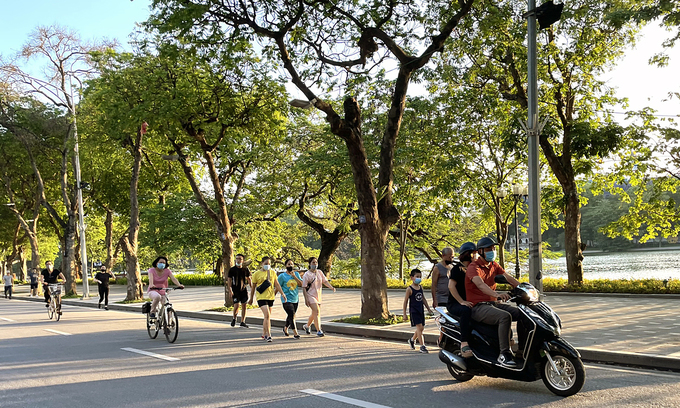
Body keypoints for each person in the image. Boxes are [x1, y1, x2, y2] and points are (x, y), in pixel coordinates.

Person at [465, 237, 524, 368]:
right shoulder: (473, 267)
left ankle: (522, 350)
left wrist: (524, 289)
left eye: (494, 248)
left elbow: (508, 278)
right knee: (504, 317)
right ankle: (504, 354)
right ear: (480, 251)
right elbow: (480, 284)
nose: (492, 251)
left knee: (524, 314)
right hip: (478, 307)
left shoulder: (493, 265)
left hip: (493, 304)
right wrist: (496, 295)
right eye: (488, 249)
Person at [446, 242, 477, 358]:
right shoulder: (457, 269)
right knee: (465, 310)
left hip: (470, 301)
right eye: (474, 253)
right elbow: (451, 286)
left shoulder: (474, 269)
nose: (477, 256)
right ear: (468, 255)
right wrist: (461, 301)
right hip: (455, 304)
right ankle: (464, 342)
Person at [248, 257, 286, 342]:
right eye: (266, 264)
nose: (267, 265)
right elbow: (253, 287)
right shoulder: (256, 274)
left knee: (267, 317)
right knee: (267, 315)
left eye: (269, 264)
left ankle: (264, 333)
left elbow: (277, 284)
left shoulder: (272, 273)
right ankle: (269, 335)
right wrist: (251, 299)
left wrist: (282, 294)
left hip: (270, 297)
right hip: (261, 297)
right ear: (262, 263)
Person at [301, 257, 336, 337]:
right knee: (317, 312)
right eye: (313, 262)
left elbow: (325, 281)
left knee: (314, 313)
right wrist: (306, 299)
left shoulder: (319, 272)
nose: (315, 264)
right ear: (309, 264)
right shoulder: (307, 274)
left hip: (318, 295)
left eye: (316, 262)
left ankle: (307, 326)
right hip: (310, 295)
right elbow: (304, 287)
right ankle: (318, 330)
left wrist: (331, 287)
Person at [403, 269, 433, 353]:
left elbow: (423, 299)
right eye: (417, 277)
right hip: (414, 311)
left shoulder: (420, 287)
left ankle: (412, 340)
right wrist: (404, 314)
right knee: (419, 328)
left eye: (420, 277)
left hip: (421, 310)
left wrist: (428, 309)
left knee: (421, 328)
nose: (419, 278)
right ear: (412, 277)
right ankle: (422, 346)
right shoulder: (409, 289)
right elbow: (405, 302)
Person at [278, 259, 303, 339]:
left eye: (292, 264)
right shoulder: (282, 276)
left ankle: (285, 328)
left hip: (295, 298)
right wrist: (273, 295)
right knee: (291, 314)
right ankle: (295, 333)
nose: (290, 266)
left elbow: (301, 284)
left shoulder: (296, 274)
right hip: (286, 299)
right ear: (286, 266)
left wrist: (294, 276)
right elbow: (277, 286)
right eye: (289, 264)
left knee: (291, 315)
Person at [227, 254, 251, 328]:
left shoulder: (245, 269)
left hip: (243, 290)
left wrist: (252, 287)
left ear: (242, 260)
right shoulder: (232, 270)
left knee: (244, 305)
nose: (238, 260)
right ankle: (234, 318)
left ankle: (243, 321)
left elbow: (249, 278)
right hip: (235, 290)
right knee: (236, 305)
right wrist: (230, 291)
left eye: (240, 259)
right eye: (237, 258)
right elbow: (229, 281)